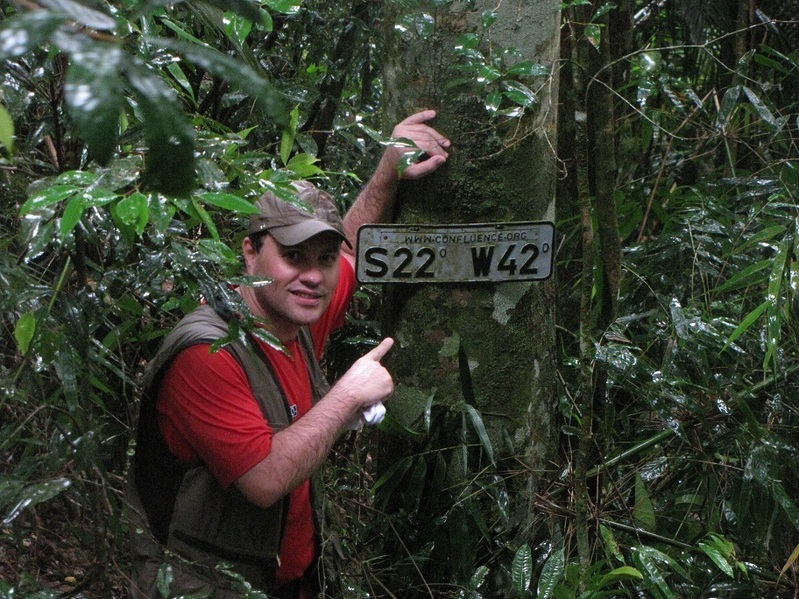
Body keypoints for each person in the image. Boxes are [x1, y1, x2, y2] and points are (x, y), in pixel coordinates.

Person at [128, 110, 450, 598]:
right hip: (206, 584)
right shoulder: (209, 352)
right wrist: (347, 397)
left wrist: (388, 171)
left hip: (283, 577)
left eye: (321, 259)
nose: (314, 276)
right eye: (293, 256)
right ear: (251, 252)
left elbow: (350, 255)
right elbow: (262, 480)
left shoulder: (296, 313)